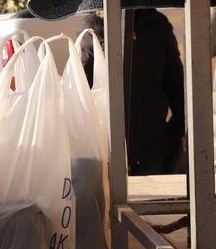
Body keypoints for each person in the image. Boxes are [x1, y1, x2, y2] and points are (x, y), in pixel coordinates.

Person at [78, 9, 184, 175]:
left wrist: (177, 131)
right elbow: (81, 92)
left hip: (152, 148)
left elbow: (177, 87)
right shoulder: (91, 29)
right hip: (106, 149)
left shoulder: (158, 25)